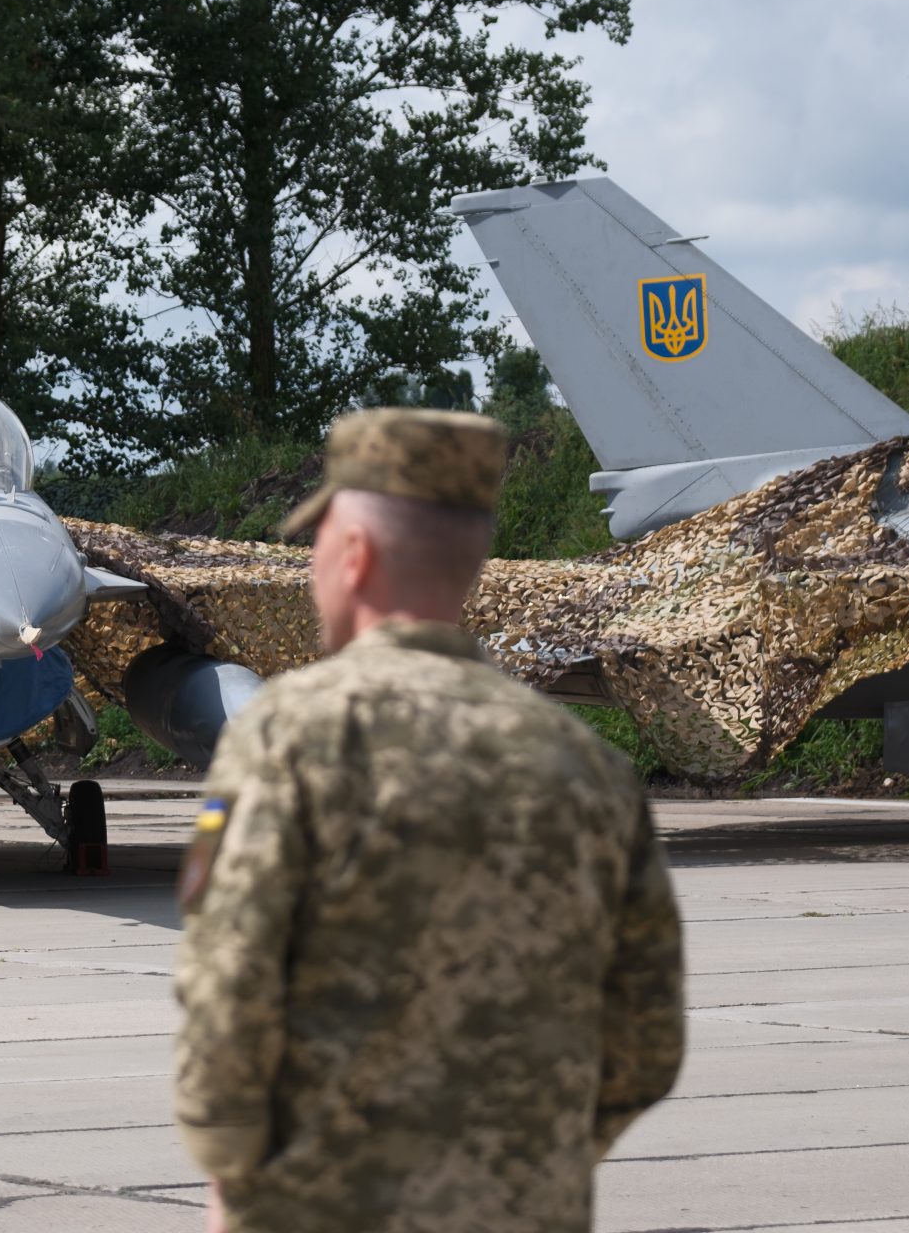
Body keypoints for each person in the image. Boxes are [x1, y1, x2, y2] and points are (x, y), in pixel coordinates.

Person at [173, 408, 685, 1233]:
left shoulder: (290, 736)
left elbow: (230, 985)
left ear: (356, 555)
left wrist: (232, 1168)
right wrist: (531, 1162)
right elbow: (647, 1038)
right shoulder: (588, 767)